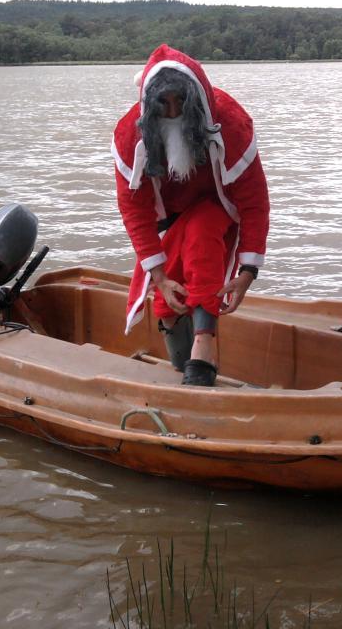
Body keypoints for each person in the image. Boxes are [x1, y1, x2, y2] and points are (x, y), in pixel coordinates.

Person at [112, 44, 270, 387]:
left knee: (201, 232)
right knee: (170, 296)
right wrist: (157, 275)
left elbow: (254, 201)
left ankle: (204, 346)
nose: (172, 113)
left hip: (218, 208)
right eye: (163, 104)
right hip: (167, 217)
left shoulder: (230, 123)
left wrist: (248, 270)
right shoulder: (130, 135)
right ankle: (183, 367)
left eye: (181, 102)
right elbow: (135, 209)